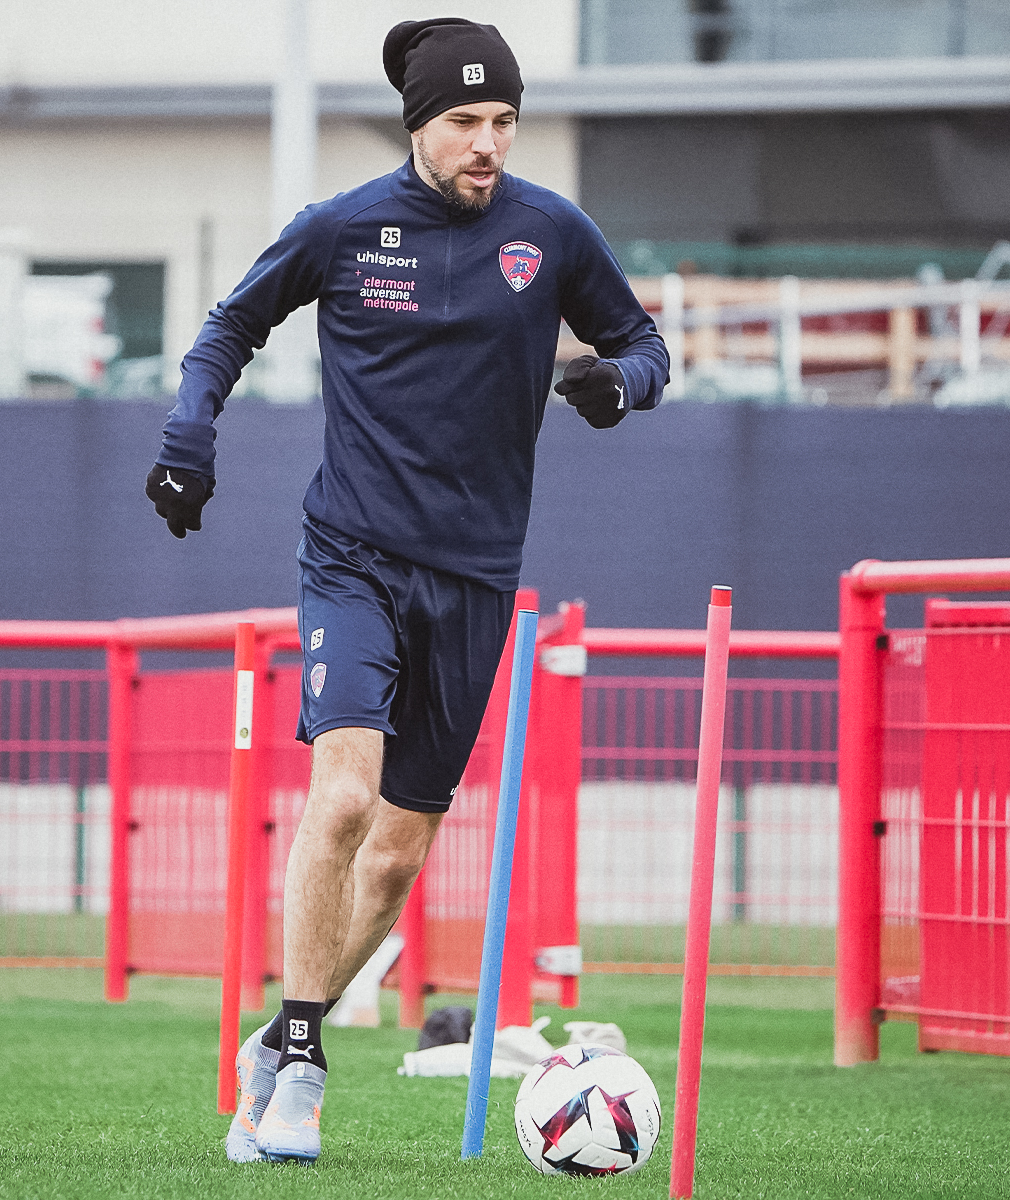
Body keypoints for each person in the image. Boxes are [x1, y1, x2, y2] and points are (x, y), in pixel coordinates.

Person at [145, 16, 668, 1166]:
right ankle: (302, 1069)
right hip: (353, 556)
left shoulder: (550, 232)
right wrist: (191, 434)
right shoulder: (344, 228)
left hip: (477, 578)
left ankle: (285, 1041)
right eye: (466, 122)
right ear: (420, 127)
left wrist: (615, 384)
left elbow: (646, 344)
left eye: (503, 122)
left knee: (396, 853)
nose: (488, 142)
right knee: (341, 803)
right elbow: (229, 326)